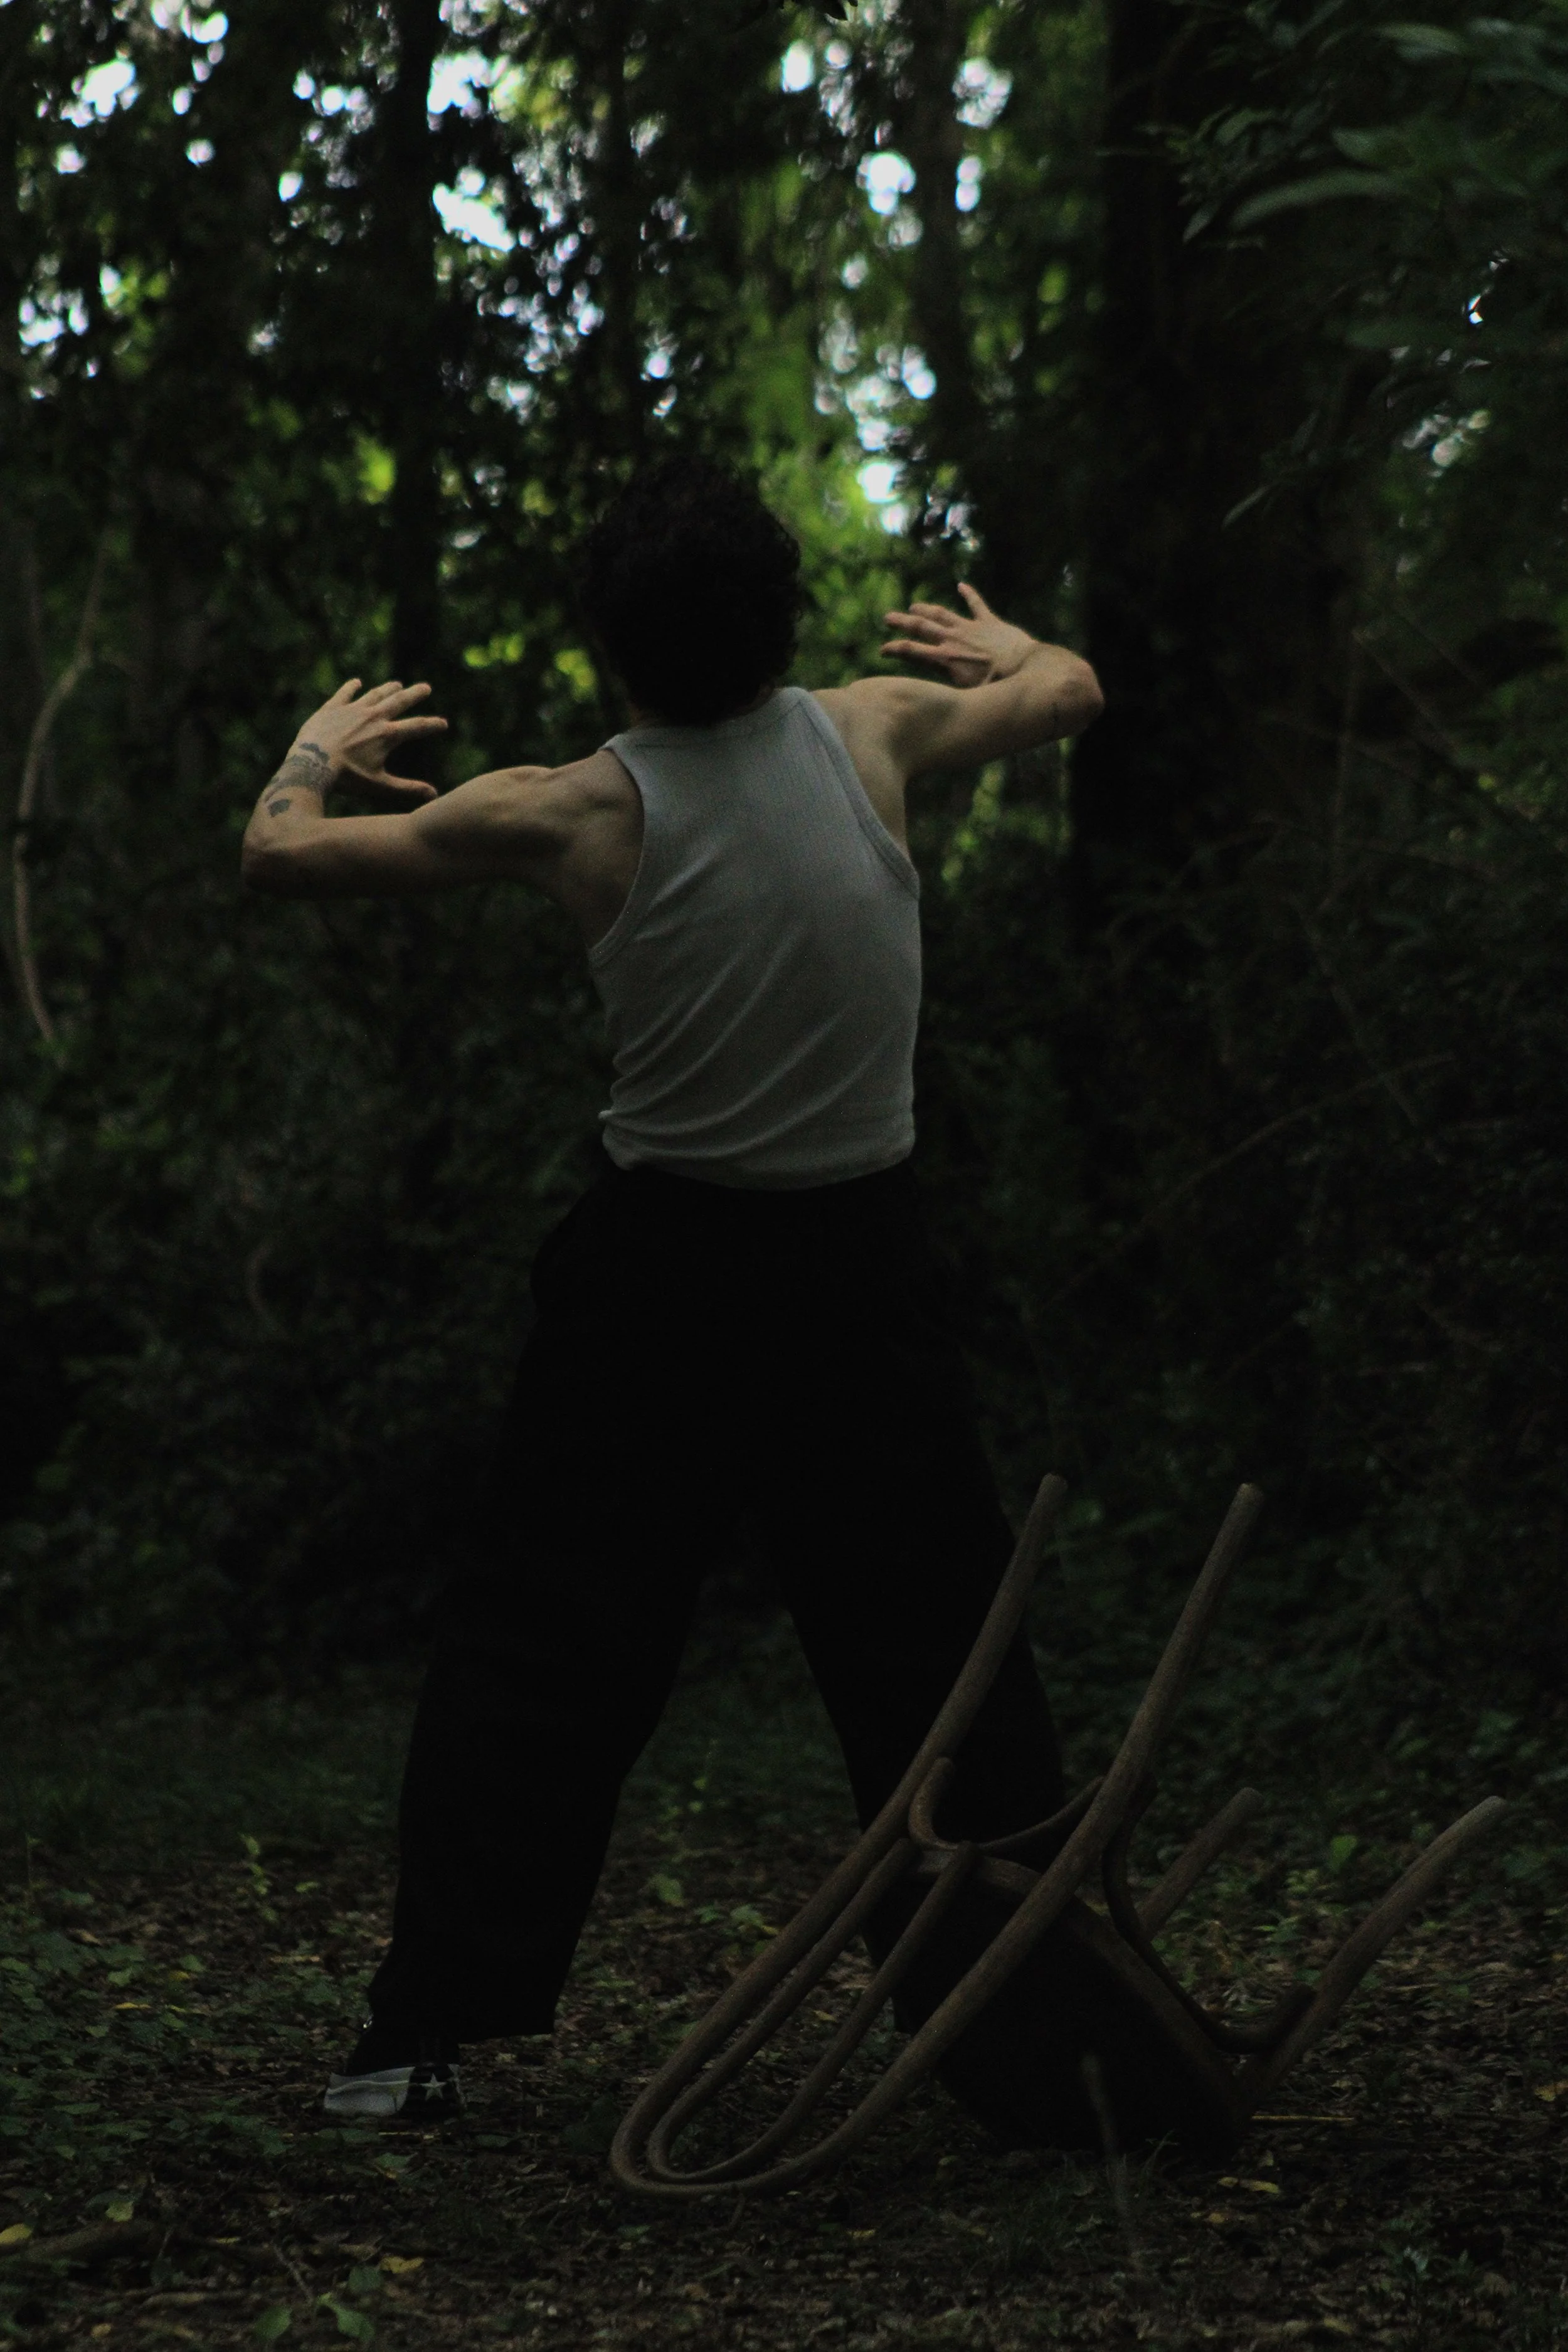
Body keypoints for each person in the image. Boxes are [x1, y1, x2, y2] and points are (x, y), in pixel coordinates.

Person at [241, 457, 1104, 2120]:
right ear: (781, 624)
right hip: (858, 1267)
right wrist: (1006, 648)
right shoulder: (873, 735)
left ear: (614, 650)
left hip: (664, 1282)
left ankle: (417, 2035)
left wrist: (312, 754)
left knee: (542, 1648)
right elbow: (1069, 690)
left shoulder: (564, 806)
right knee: (940, 1652)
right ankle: (1025, 2040)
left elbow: (280, 854)